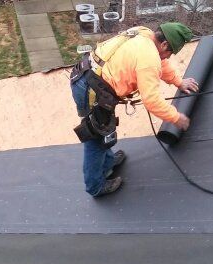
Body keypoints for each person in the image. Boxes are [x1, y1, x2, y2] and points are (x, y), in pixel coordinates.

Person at [69, 22, 198, 197]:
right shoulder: (149, 58)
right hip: (91, 88)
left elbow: (162, 63)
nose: (168, 56)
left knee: (105, 129)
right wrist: (176, 117)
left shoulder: (145, 33)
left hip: (91, 77)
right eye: (170, 52)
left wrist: (178, 82)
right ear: (164, 44)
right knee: (96, 138)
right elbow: (152, 101)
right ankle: (95, 186)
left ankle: (107, 163)